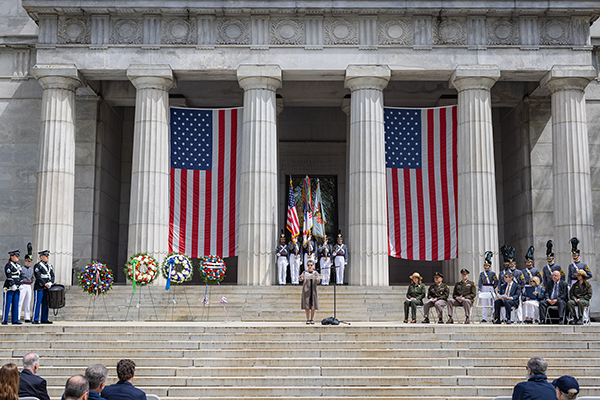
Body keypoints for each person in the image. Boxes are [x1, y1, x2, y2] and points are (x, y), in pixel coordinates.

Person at [33, 249, 55, 324]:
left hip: (47, 287)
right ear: (41, 257)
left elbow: (52, 275)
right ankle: (35, 319)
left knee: (46, 304)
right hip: (40, 287)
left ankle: (44, 318)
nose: (47, 257)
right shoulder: (38, 266)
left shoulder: (49, 266)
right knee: (37, 303)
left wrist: (51, 282)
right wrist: (44, 284)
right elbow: (38, 276)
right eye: (45, 256)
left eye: (47, 256)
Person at [477, 251, 498, 322]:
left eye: (487, 266)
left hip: (490, 287)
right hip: (484, 287)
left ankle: (492, 317)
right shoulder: (482, 273)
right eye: (485, 266)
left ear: (490, 266)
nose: (486, 267)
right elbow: (480, 282)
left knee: (492, 303)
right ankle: (484, 318)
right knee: (484, 303)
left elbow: (496, 281)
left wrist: (493, 287)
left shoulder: (493, 273)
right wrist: (479, 289)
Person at [3, 250, 22, 325]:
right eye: (16, 256)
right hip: (10, 287)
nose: (17, 257)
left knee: (16, 304)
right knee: (7, 304)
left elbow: (21, 276)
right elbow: (9, 276)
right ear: (11, 256)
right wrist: (12, 284)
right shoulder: (8, 265)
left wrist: (20, 284)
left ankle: (15, 320)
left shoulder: (18, 265)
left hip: (17, 287)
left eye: (18, 256)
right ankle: (5, 319)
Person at [299, 260, 321, 325]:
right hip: (306, 290)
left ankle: (312, 319)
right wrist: (301, 277)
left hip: (313, 291)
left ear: (313, 265)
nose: (310, 266)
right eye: (308, 265)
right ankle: (307, 319)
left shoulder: (315, 272)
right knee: (307, 305)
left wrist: (316, 278)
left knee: (313, 305)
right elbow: (300, 279)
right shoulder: (305, 272)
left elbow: (318, 281)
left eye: (311, 265)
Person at [19, 244, 34, 322]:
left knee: (28, 302)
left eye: (30, 261)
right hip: (23, 285)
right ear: (25, 261)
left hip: (28, 285)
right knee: (20, 302)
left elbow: (33, 278)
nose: (29, 263)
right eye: (27, 261)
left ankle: (27, 317)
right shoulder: (22, 268)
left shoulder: (32, 270)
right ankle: (17, 316)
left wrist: (31, 282)